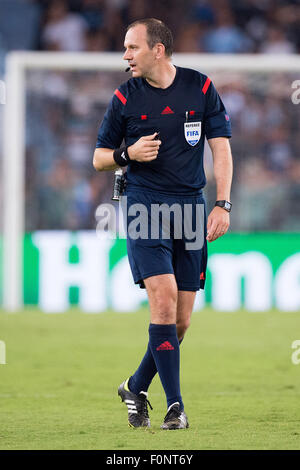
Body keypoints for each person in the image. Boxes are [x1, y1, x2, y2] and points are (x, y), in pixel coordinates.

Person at [93, 18, 233, 430]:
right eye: (125, 48)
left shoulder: (201, 87)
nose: (125, 56)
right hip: (143, 207)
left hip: (190, 208)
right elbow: (99, 157)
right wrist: (128, 154)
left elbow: (221, 150)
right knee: (164, 300)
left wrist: (222, 203)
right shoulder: (125, 96)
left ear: (158, 50)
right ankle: (176, 406)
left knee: (182, 320)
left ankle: (135, 386)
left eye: (132, 48)